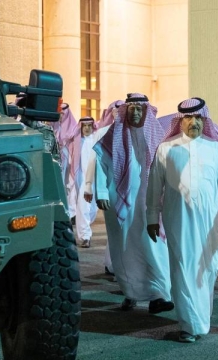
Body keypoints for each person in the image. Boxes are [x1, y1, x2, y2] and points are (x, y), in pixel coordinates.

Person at [146, 97, 218, 343]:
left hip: (209, 222)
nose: (193, 122)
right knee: (183, 267)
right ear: (180, 120)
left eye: (198, 118)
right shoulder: (166, 149)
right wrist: (152, 217)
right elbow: (155, 187)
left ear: (204, 120)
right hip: (178, 220)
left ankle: (200, 319)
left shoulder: (217, 148)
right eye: (188, 118)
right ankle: (189, 325)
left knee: (207, 269)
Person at [93, 93, 173, 314]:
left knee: (154, 245)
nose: (136, 113)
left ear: (146, 112)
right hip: (119, 201)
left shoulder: (156, 136)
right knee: (125, 248)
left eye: (140, 109)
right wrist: (100, 191)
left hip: (150, 200)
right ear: (125, 111)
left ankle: (160, 294)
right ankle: (131, 292)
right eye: (132, 109)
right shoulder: (112, 135)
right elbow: (100, 163)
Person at [85, 100, 123, 275]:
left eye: (120, 110)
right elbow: (95, 159)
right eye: (113, 110)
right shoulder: (102, 132)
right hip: (110, 187)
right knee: (114, 229)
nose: (116, 113)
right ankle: (112, 264)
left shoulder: (130, 132)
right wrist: (89, 186)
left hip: (130, 190)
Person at [72, 116, 99, 248]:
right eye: (84, 125)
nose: (87, 128)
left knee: (93, 209)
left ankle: (86, 231)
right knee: (83, 207)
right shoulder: (76, 142)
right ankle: (85, 236)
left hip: (96, 179)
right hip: (82, 179)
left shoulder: (96, 139)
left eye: (89, 125)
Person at [49, 103, 77, 220]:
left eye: (62, 114)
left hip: (68, 159)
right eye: (59, 114)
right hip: (54, 157)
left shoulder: (73, 128)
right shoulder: (51, 126)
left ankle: (70, 212)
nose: (60, 117)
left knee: (67, 185)